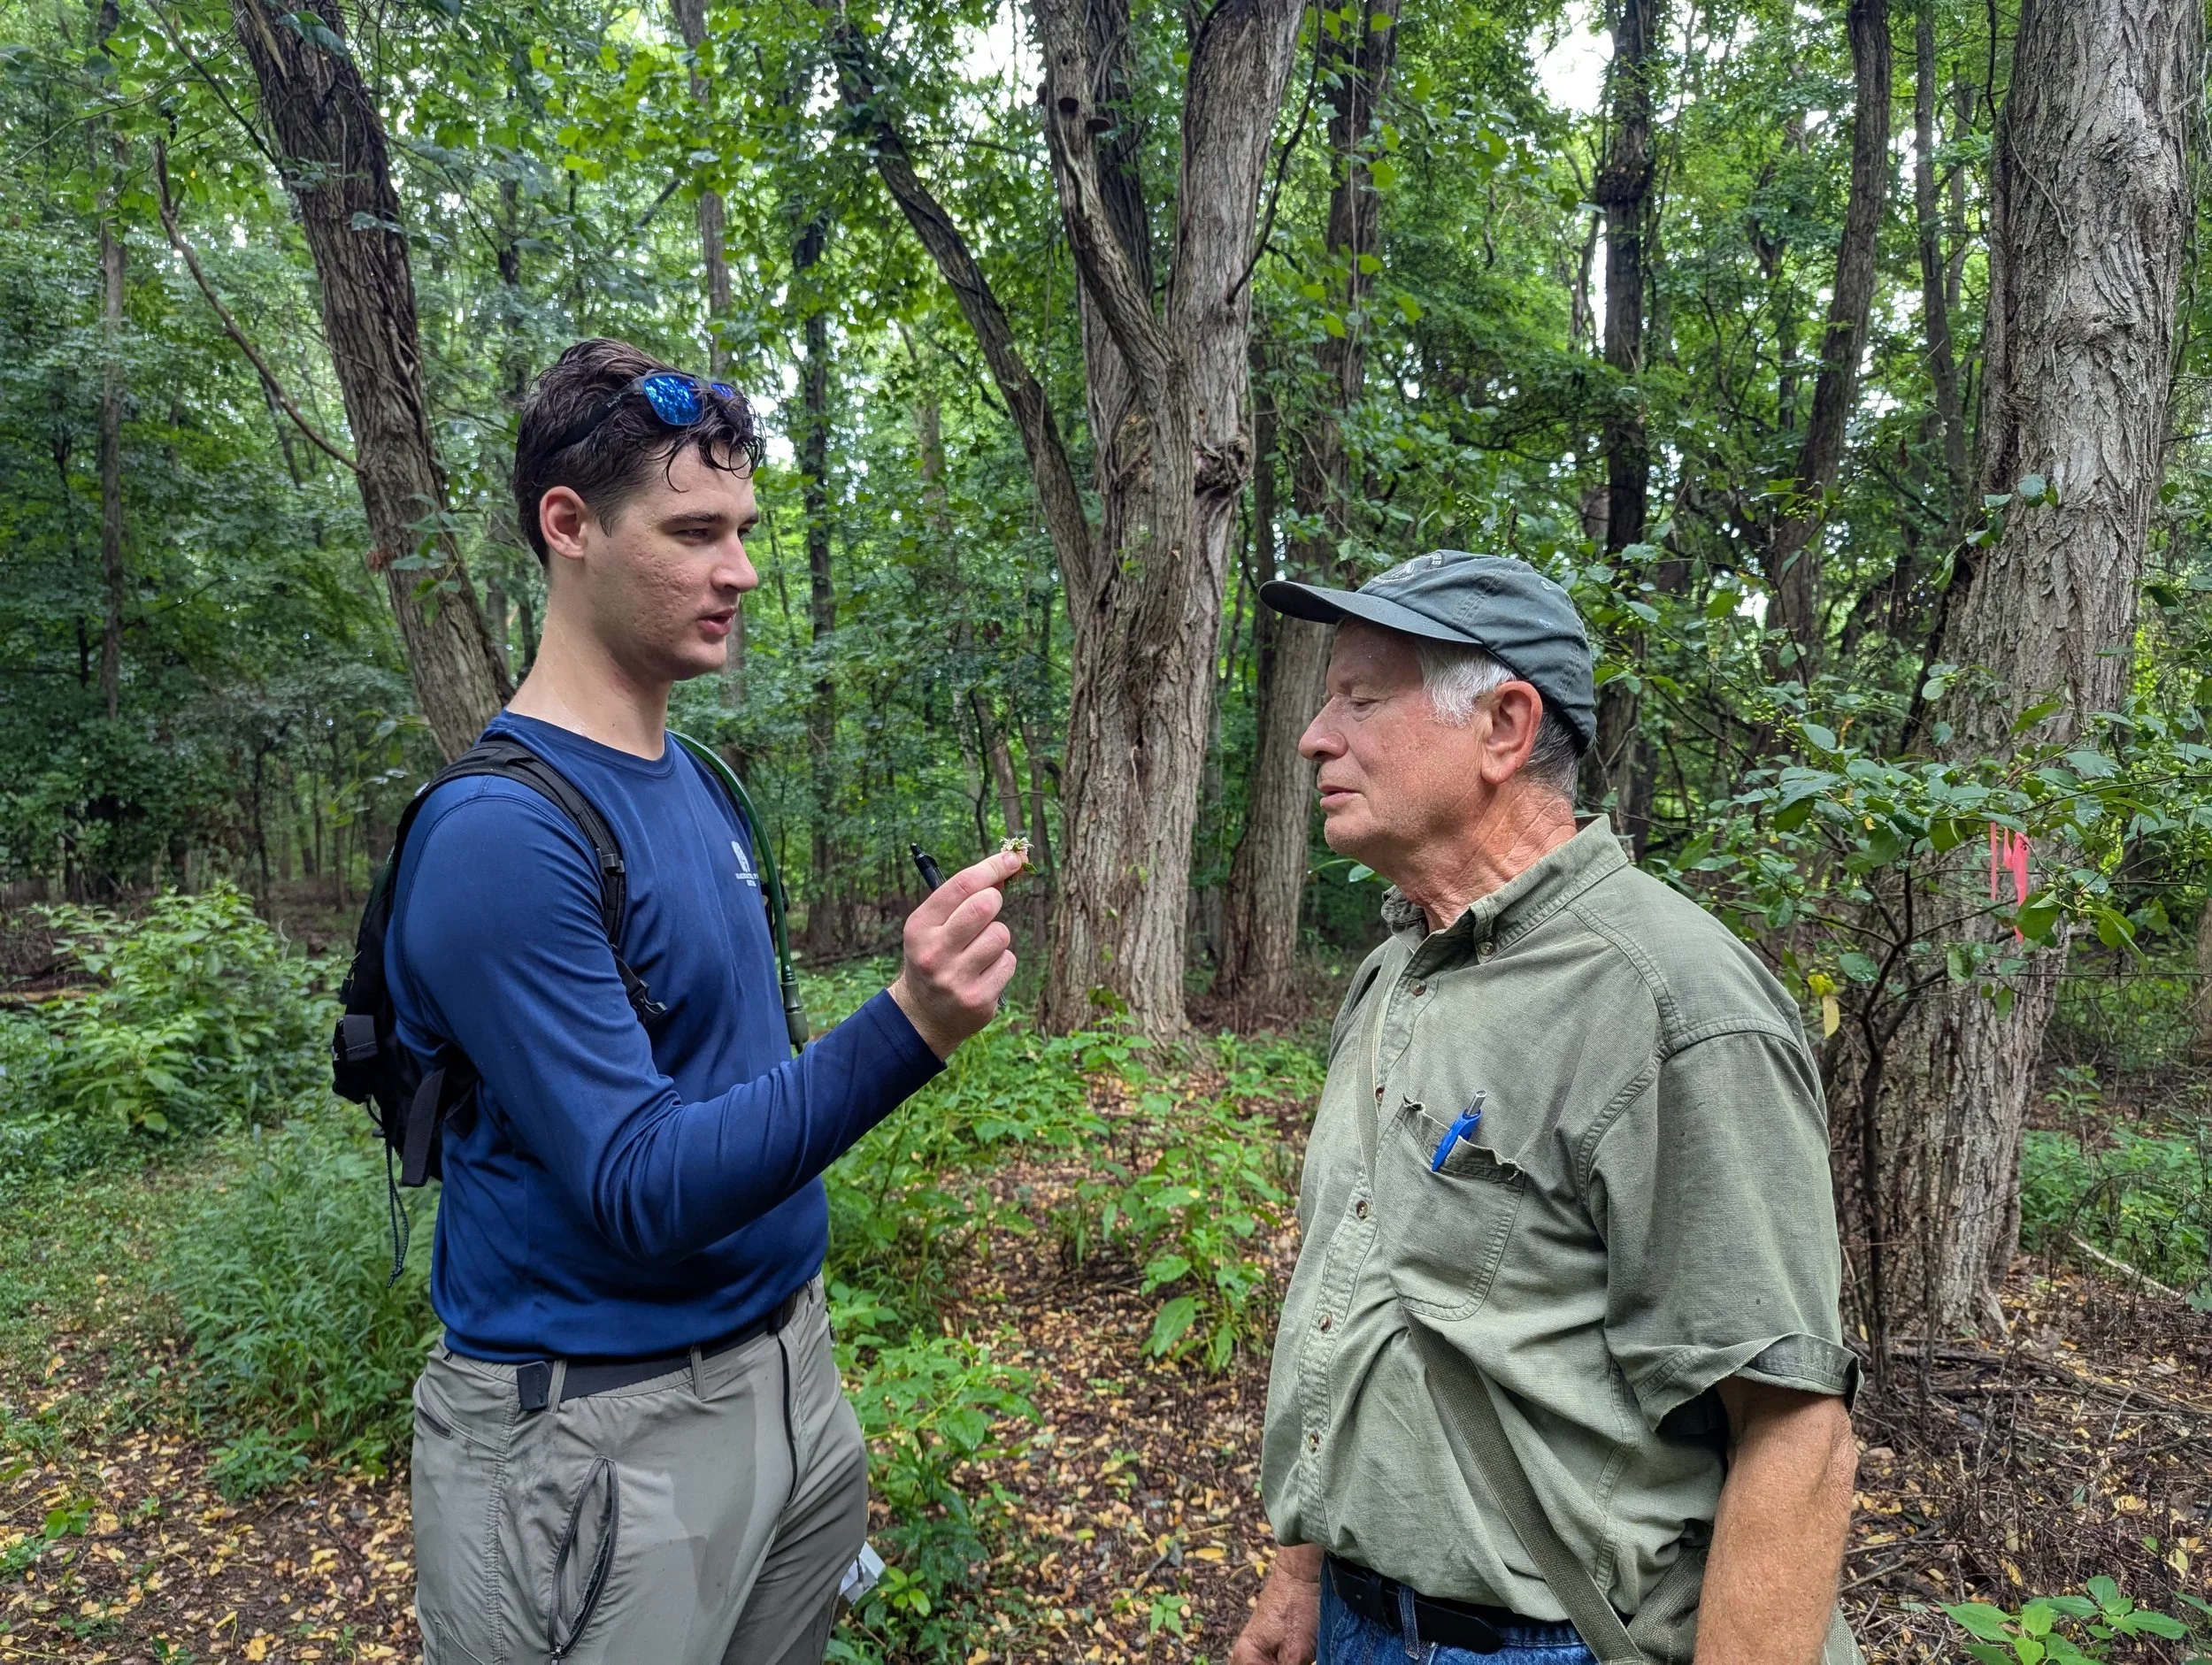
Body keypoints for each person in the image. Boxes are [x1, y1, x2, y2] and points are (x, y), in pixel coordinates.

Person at [388, 338, 1024, 1665]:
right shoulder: (504, 833)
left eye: (743, 528)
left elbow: (741, 1082)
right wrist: (907, 1025)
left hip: (788, 1381)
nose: (739, 569)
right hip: (602, 1436)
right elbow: (639, 1181)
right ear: (568, 526)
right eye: (693, 531)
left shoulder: (704, 779)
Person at [1228, 551, 1860, 1665]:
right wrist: (1299, 1573)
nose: (1314, 735)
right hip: (1356, 1622)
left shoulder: (1671, 1004)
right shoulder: (1397, 970)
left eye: (1361, 699)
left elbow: (1795, 1436)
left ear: (1506, 728)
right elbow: (1364, 1291)